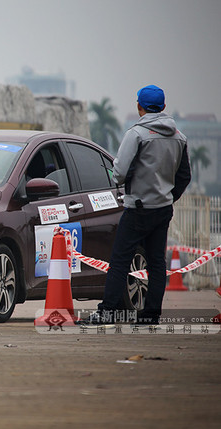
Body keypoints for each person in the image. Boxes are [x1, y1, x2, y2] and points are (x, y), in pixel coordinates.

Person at [88, 84, 191, 325]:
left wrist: (121, 180)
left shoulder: (136, 134)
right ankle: (151, 314)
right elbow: (184, 176)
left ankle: (108, 311)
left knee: (120, 261)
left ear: (139, 107)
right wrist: (167, 197)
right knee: (156, 263)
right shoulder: (180, 137)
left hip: (138, 208)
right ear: (163, 107)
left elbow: (120, 172)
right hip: (162, 209)